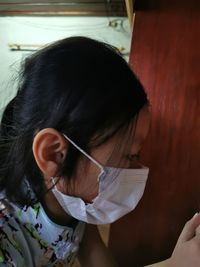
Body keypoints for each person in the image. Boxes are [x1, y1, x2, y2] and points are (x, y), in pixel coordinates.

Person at [0, 36, 200, 267]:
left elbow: (96, 256)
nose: (136, 169)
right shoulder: (6, 238)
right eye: (128, 156)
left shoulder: (73, 199)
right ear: (55, 154)